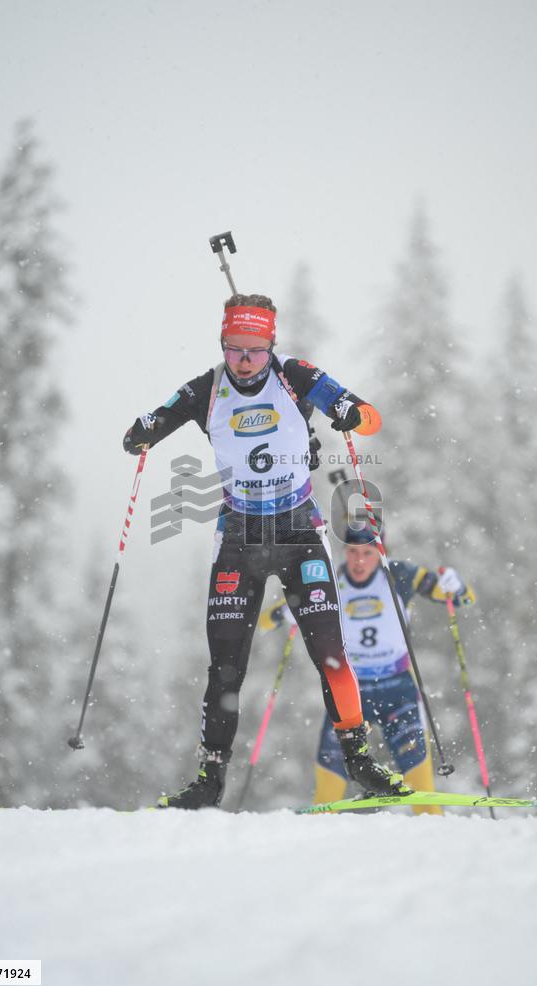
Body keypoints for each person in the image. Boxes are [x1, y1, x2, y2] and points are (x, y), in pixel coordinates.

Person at [123, 292, 413, 809]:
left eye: (255, 350)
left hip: (298, 531)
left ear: (271, 345)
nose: (244, 361)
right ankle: (210, 779)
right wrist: (143, 433)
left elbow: (370, 418)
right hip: (239, 536)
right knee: (225, 668)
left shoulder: (295, 376)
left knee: (331, 654)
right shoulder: (205, 389)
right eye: (234, 348)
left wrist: (352, 414)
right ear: (223, 343)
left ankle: (360, 760)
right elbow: (151, 425)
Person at [313, 523, 476, 815]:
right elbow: (272, 617)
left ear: (381, 552)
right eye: (352, 552)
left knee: (421, 788)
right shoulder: (330, 580)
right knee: (327, 789)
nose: (359, 561)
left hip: (397, 690)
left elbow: (463, 598)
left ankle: (433, 832)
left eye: (368, 553)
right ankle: (314, 833)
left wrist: (456, 585)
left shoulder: (399, 574)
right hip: (350, 691)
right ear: (344, 552)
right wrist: (286, 612)